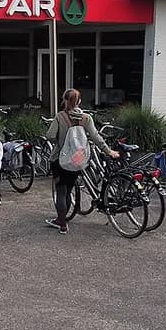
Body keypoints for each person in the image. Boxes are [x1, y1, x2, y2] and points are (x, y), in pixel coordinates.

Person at [44, 89, 119, 233]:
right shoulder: (86, 118)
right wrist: (108, 151)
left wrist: (60, 140)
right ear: (79, 101)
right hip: (77, 159)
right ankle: (62, 220)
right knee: (69, 190)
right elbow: (96, 136)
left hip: (60, 159)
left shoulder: (60, 117)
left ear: (65, 101)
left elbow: (50, 136)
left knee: (61, 191)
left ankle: (62, 223)